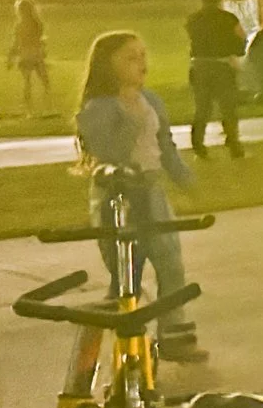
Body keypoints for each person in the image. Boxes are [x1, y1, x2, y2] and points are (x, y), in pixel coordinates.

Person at [75, 31, 207, 363]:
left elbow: (165, 145)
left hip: (152, 191)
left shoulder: (152, 100)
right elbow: (109, 153)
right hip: (116, 196)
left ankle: (175, 336)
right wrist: (131, 118)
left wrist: (183, 178)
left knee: (170, 261)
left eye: (143, 55)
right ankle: (129, 345)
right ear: (108, 66)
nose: (141, 64)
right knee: (126, 270)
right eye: (130, 58)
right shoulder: (98, 108)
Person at [186, 0, 248, 158]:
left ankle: (198, 144)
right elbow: (241, 38)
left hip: (199, 65)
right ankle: (234, 144)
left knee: (202, 108)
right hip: (222, 65)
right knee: (228, 106)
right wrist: (236, 50)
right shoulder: (228, 18)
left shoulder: (193, 19)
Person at [6, 0, 52, 114]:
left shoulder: (19, 26)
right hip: (36, 54)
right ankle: (47, 101)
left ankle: (29, 106)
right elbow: (38, 38)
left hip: (25, 55)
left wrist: (10, 57)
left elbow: (16, 43)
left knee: (27, 81)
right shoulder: (37, 24)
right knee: (44, 79)